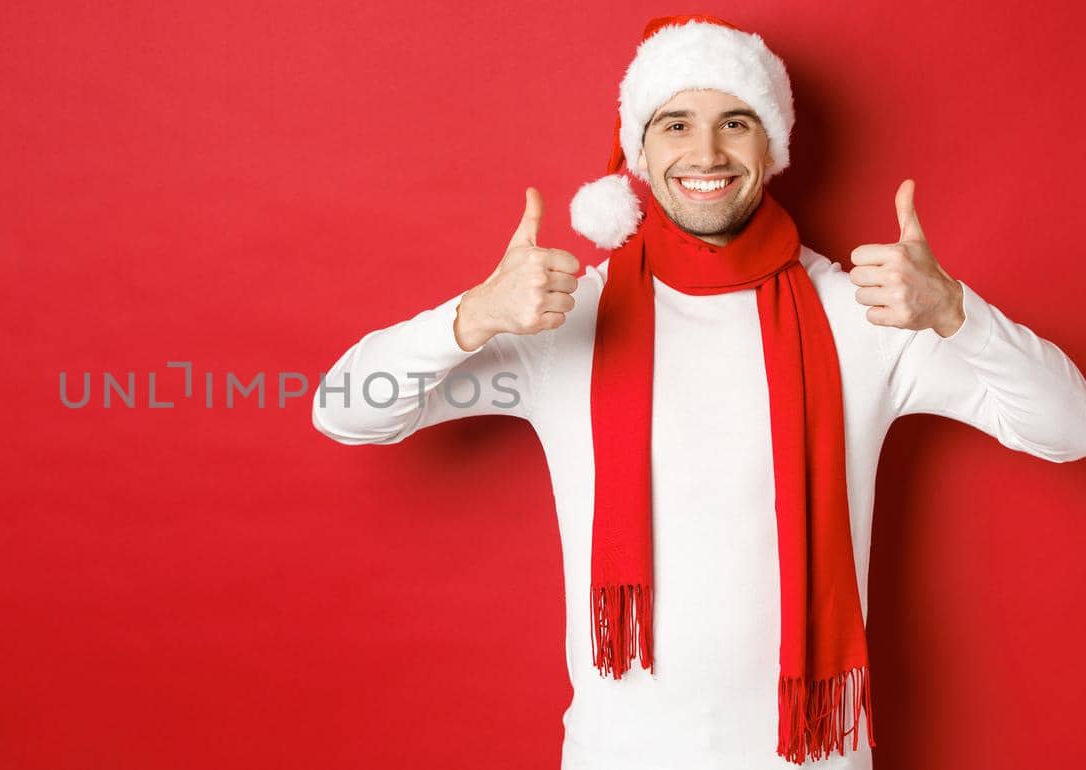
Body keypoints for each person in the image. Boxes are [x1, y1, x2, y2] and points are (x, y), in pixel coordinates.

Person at [310, 13, 1086, 770]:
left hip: (813, 757)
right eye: (675, 123)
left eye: (736, 122)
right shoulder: (560, 316)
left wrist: (958, 314)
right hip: (620, 755)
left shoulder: (869, 312)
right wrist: (471, 317)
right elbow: (344, 409)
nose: (705, 151)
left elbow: (1069, 427)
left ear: (773, 145)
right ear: (639, 151)